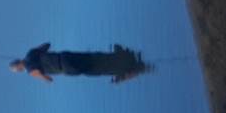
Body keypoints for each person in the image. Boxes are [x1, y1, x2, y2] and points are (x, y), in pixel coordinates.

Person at [9, 42, 150, 84]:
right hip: (65, 55)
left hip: (65, 67)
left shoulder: (29, 70)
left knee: (95, 69)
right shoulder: (30, 53)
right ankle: (121, 57)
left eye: (17, 70)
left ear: (18, 68)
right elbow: (47, 44)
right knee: (92, 58)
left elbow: (47, 79)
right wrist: (40, 52)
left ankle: (125, 70)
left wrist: (45, 77)